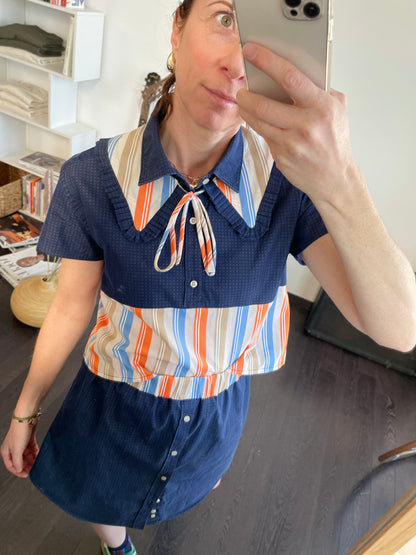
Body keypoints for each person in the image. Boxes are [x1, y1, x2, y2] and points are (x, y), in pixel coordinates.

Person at [2, 1, 416, 554]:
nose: (240, 64)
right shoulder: (92, 181)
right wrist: (25, 409)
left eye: (266, 35)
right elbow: (71, 305)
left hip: (217, 416)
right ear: (177, 28)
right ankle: (116, 546)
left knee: (185, 489)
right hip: (113, 409)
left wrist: (340, 177)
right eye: (226, 18)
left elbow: (400, 329)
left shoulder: (289, 189)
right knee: (98, 496)